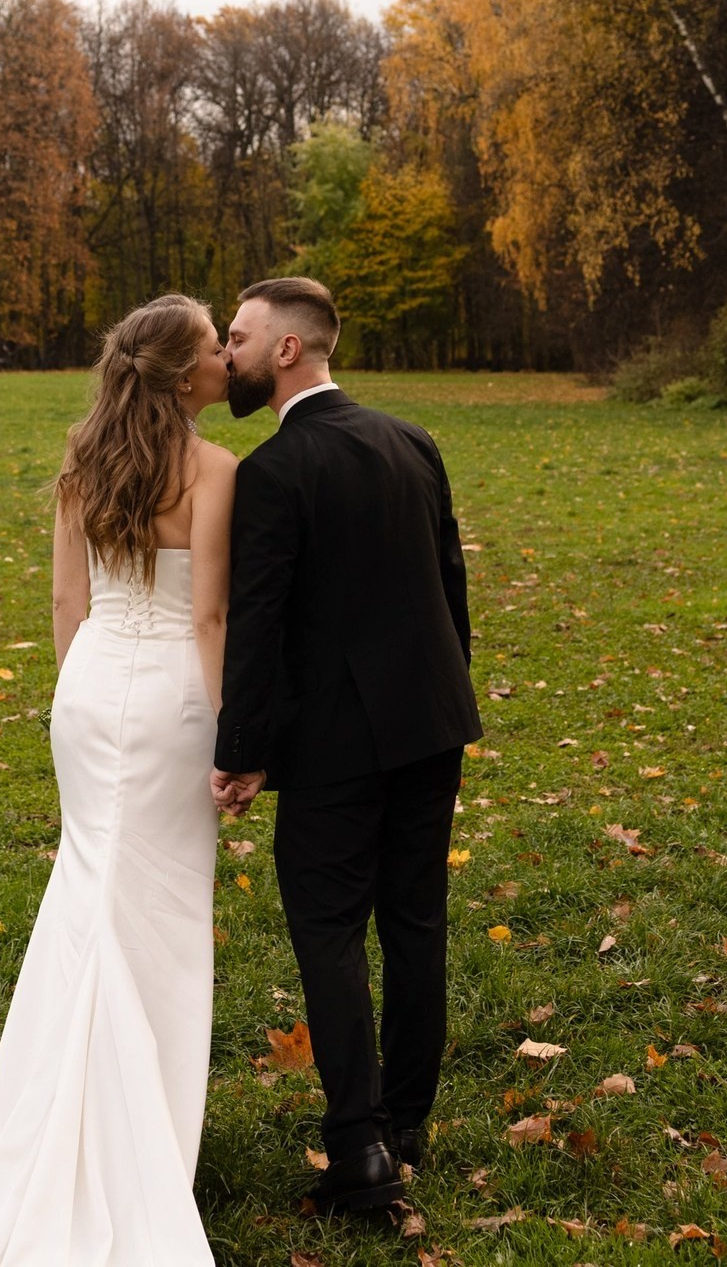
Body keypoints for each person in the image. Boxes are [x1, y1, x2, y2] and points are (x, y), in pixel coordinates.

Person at [0, 296, 235, 1267]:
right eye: (214, 349)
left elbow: (67, 601)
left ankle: (70, 1092)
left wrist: (78, 693)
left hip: (89, 688)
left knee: (88, 892)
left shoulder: (80, 461)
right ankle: (140, 1132)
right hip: (174, 699)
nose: (228, 360)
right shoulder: (217, 471)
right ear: (185, 378)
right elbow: (212, 618)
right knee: (160, 908)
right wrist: (227, 734)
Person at [213, 276, 482, 1213]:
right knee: (415, 924)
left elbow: (258, 622)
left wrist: (242, 748)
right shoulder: (414, 442)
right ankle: (406, 1123)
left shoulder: (275, 471)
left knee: (328, 934)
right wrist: (448, 701)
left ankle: (360, 1151)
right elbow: (451, 591)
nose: (227, 354)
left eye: (239, 338)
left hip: (335, 742)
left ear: (289, 350)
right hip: (432, 724)